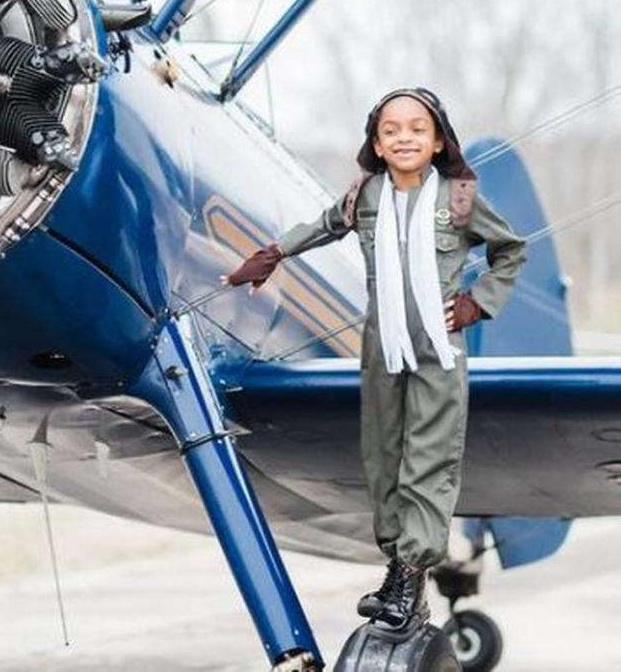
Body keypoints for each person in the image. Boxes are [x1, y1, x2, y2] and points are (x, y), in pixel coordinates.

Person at [222, 87, 527, 632]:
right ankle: (397, 568)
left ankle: (412, 573)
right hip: (380, 346)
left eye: (417, 129)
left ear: (437, 141)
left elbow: (511, 249)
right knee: (383, 459)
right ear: (378, 145)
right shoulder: (365, 197)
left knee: (426, 463)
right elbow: (321, 226)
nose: (404, 138)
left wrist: (478, 302)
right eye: (392, 131)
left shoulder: (457, 199)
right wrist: (270, 257)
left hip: (438, 347)